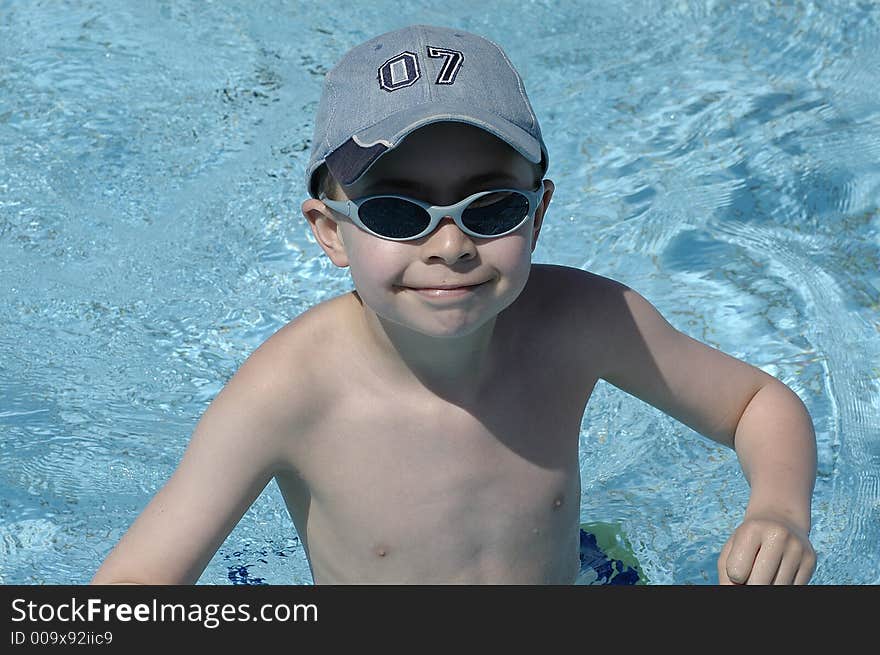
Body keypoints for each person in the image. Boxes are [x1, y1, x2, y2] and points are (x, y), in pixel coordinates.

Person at [92, 24, 817, 585]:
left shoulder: (585, 322)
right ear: (329, 233)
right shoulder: (287, 395)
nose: (450, 244)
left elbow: (758, 403)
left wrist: (778, 510)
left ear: (537, 215)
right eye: (398, 213)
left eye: (492, 206)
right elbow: (134, 580)